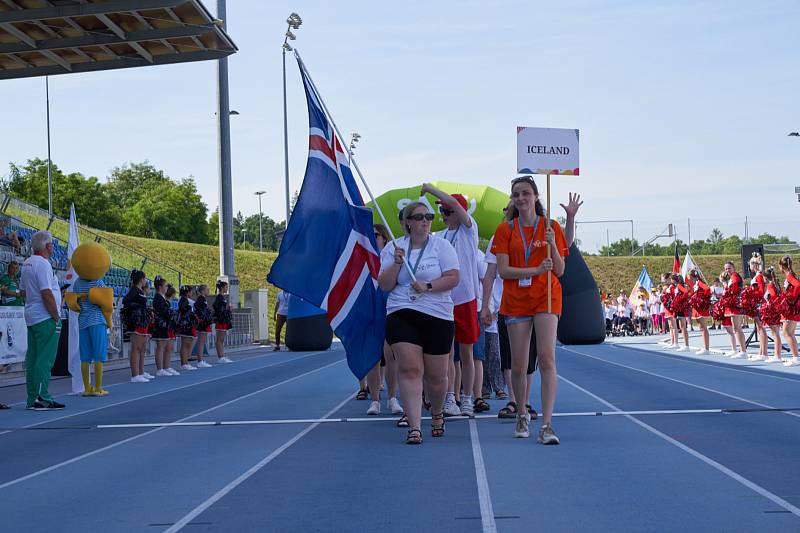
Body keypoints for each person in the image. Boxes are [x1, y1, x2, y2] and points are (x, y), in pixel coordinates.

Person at [492, 176, 568, 444]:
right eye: (516, 194)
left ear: (536, 196)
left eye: (526, 193)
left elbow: (559, 270)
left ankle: (547, 424)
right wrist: (534, 270)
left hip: (546, 297)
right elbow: (503, 270)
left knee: (547, 358)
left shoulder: (551, 227)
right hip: (515, 300)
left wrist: (551, 246)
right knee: (519, 364)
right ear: (512, 199)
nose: (521, 198)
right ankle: (521, 413)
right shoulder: (506, 230)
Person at [378, 201, 459, 444]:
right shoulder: (394, 248)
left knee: (436, 376)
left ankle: (436, 413)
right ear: (407, 223)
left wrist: (428, 286)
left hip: (437, 313)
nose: (425, 221)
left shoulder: (441, 246)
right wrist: (397, 263)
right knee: (410, 368)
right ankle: (414, 426)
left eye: (429, 216)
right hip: (402, 310)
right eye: (419, 217)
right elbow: (384, 285)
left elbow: (454, 277)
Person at [422, 183, 480, 417]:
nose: (442, 216)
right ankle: (450, 398)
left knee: (467, 353)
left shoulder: (469, 228)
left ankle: (467, 398)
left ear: (458, 212)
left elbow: (456, 203)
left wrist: (430, 188)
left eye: (446, 212)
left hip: (466, 298)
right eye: (441, 212)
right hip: (445, 299)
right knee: (446, 353)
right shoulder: (441, 237)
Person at [21, 231, 65, 410]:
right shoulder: (43, 264)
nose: (53, 247)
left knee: (33, 358)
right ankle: (42, 396)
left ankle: (32, 398)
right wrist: (55, 315)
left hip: (32, 314)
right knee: (45, 359)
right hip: (45, 316)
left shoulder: (26, 263)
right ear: (47, 246)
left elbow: (23, 292)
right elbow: (46, 293)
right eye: (52, 244)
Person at [366, 223, 402, 416]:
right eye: (371, 235)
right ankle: (375, 400)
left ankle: (392, 398)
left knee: (391, 355)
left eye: (377, 235)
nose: (374, 238)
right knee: (373, 355)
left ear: (384, 238)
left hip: (388, 305)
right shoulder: (363, 255)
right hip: (370, 307)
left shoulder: (390, 254)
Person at [122, 270, 152, 383]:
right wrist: (138, 307)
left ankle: (141, 372)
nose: (145, 281)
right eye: (145, 279)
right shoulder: (134, 290)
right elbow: (126, 301)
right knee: (136, 348)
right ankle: (135, 375)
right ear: (141, 279)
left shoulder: (140, 290)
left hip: (142, 321)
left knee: (142, 348)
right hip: (136, 322)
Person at [151, 276, 178, 376]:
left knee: (165, 347)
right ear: (160, 287)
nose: (167, 287)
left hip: (164, 325)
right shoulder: (158, 298)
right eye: (165, 286)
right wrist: (170, 313)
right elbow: (162, 311)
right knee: (161, 347)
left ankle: (166, 366)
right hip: (160, 325)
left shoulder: (161, 298)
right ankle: (160, 369)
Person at [722, 261, 748, 358]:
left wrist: (726, 290)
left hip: (736, 306)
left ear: (733, 268)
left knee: (737, 328)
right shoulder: (731, 278)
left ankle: (743, 351)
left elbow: (733, 291)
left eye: (729, 268)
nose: (727, 270)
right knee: (735, 328)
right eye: (726, 269)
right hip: (732, 306)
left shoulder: (735, 276)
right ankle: (738, 350)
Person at [779, 256, 799, 366]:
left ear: (781, 266)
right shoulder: (790, 275)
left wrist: (791, 299)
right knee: (790, 333)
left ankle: (796, 358)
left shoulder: (790, 276)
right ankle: (795, 357)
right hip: (792, 308)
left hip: (791, 309)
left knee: (786, 333)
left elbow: (798, 285)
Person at [761, 267, 784, 363]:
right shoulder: (776, 284)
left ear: (765, 277)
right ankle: (777, 355)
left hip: (772, 311)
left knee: (775, 334)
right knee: (776, 333)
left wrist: (769, 304)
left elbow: (774, 296)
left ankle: (777, 356)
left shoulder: (770, 285)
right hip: (776, 311)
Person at [688, 269, 711, 355]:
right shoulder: (695, 283)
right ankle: (705, 347)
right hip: (697, 308)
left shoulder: (699, 282)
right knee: (701, 327)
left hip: (700, 307)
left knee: (703, 327)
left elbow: (707, 289)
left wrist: (701, 300)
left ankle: (706, 348)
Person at [176, 285, 198, 371]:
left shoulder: (185, 300)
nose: (192, 293)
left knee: (187, 344)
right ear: (187, 292)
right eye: (191, 291)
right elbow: (183, 311)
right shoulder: (183, 300)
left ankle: (185, 362)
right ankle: (184, 363)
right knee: (185, 344)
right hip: (185, 324)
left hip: (188, 324)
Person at [213, 280, 234, 364]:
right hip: (221, 320)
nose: (227, 289)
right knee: (219, 339)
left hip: (223, 320)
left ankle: (222, 355)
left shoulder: (222, 297)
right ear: (221, 288)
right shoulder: (219, 297)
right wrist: (228, 310)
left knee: (221, 339)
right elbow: (218, 309)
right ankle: (220, 357)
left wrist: (228, 310)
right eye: (226, 287)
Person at [193, 284, 213, 368]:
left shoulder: (203, 299)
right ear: (202, 291)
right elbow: (200, 312)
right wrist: (205, 319)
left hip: (204, 322)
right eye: (207, 289)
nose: (208, 290)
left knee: (202, 342)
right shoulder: (201, 300)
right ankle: (200, 360)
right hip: (202, 323)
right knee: (201, 342)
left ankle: (201, 359)